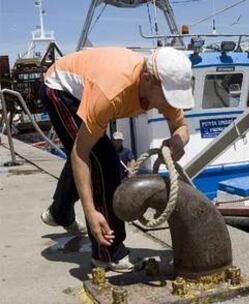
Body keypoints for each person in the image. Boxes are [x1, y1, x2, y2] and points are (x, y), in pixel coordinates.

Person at [39, 47, 193, 272]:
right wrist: (91, 212)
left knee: (92, 152)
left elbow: (181, 126)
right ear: (147, 79)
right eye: (168, 97)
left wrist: (178, 141)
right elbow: (80, 154)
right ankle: (108, 253)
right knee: (105, 162)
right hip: (60, 89)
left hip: (91, 82)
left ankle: (59, 212)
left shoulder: (160, 86)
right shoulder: (111, 93)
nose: (169, 104)